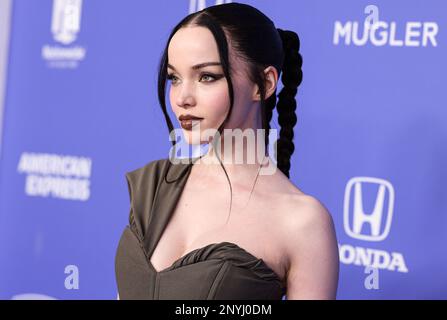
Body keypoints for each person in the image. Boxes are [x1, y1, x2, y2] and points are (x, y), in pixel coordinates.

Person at [115, 2, 339, 300]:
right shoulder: (154, 184)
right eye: (174, 78)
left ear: (265, 83)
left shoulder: (302, 222)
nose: (182, 98)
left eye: (207, 76)